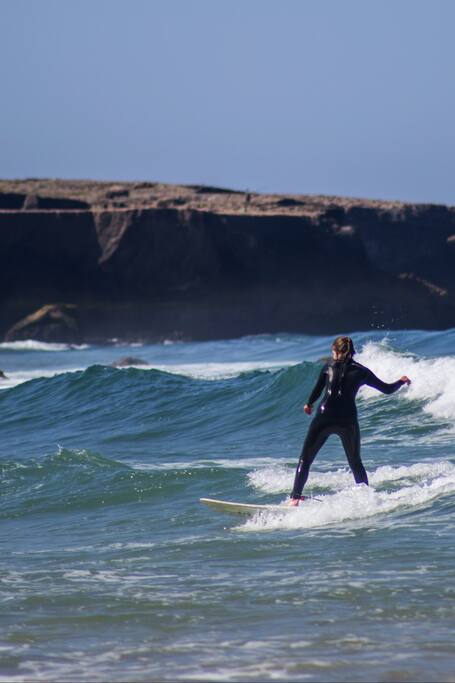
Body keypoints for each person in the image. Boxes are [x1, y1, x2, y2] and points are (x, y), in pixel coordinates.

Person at [290, 336, 411, 505]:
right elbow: (387, 389)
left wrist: (309, 404)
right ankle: (367, 500)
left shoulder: (328, 366)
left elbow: (318, 390)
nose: (333, 354)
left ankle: (295, 498)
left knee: (305, 459)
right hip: (347, 421)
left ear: (336, 351)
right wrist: (401, 381)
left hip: (324, 417)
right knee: (355, 462)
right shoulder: (362, 371)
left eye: (333, 351)